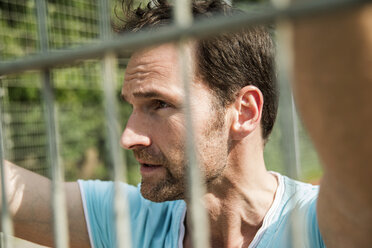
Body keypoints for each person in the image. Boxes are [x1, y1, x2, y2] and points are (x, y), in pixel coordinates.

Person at [1, 0, 372, 247]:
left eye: (158, 104)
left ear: (243, 111)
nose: (128, 136)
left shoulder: (315, 226)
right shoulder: (134, 222)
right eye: (132, 106)